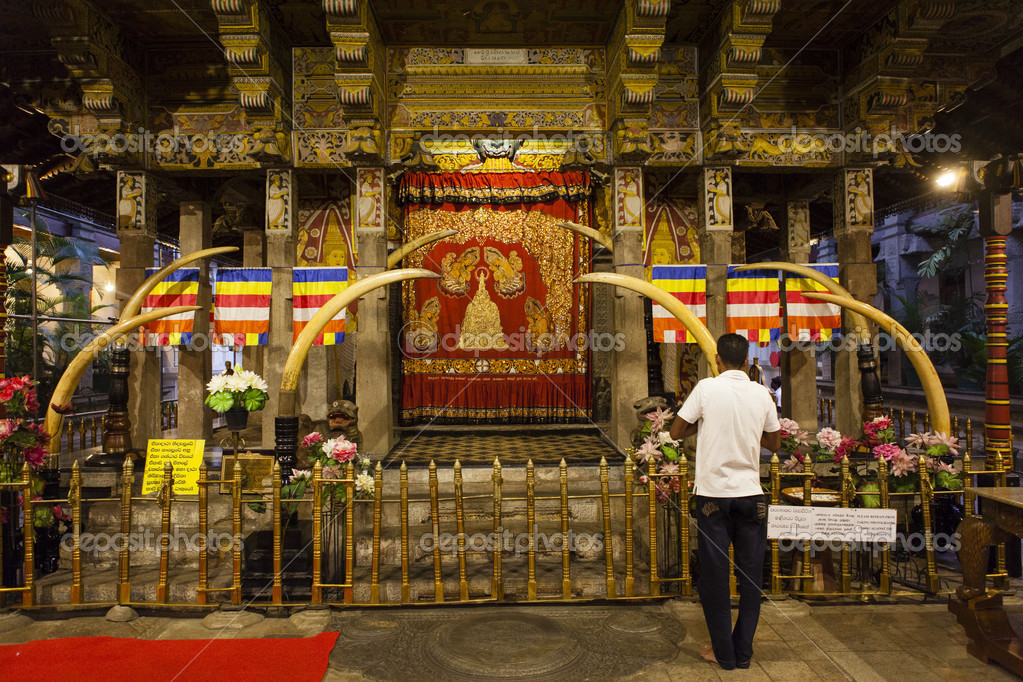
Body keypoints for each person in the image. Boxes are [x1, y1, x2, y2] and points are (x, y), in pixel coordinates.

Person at [669, 333, 781, 671]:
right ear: (747, 361)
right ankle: (743, 653)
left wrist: (703, 425)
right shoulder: (761, 393)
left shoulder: (706, 388)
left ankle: (723, 653)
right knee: (750, 580)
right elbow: (774, 443)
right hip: (751, 495)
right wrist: (747, 430)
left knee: (714, 579)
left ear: (717, 359)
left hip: (713, 498)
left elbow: (675, 431)